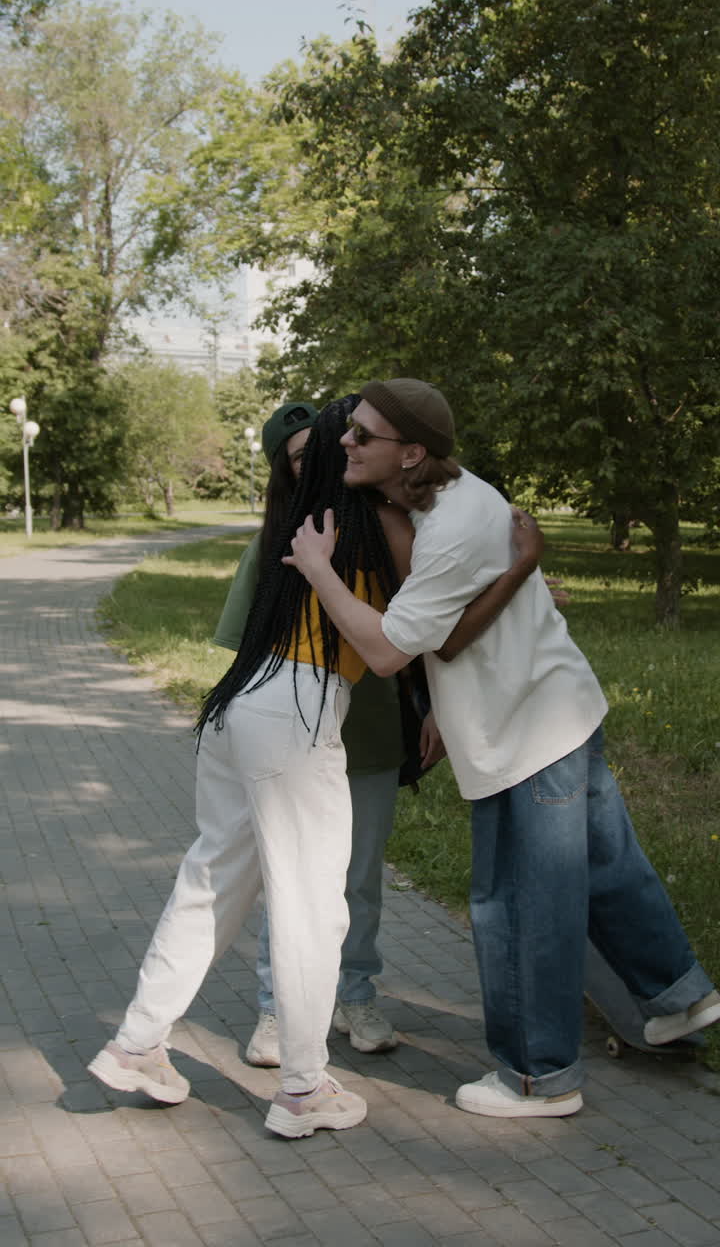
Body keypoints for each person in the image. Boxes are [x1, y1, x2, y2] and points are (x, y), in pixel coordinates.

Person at [283, 376, 720, 1120]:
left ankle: (537, 1078)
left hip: (526, 733)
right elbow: (445, 626)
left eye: (362, 435)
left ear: (411, 451)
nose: (346, 444)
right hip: (562, 710)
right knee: (609, 868)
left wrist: (320, 569)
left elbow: (392, 650)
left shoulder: (456, 528)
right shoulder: (455, 497)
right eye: (348, 432)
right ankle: (678, 997)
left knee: (521, 907)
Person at [88, 395, 409, 1139]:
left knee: (211, 884)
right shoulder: (372, 526)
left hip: (246, 702)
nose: (362, 448)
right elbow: (403, 640)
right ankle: (302, 1089)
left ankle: (136, 1044)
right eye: (354, 439)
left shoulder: (302, 520)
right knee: (310, 905)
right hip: (296, 714)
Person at [213, 400, 547, 1066]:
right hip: (293, 739)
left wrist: (431, 709)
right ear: (288, 471)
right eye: (304, 456)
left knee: (359, 878)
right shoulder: (276, 543)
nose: (326, 463)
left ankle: (355, 993)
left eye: (331, 448)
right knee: (292, 877)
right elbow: (242, 652)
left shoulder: (391, 531)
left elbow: (428, 628)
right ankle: (277, 1011)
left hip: (368, 737)